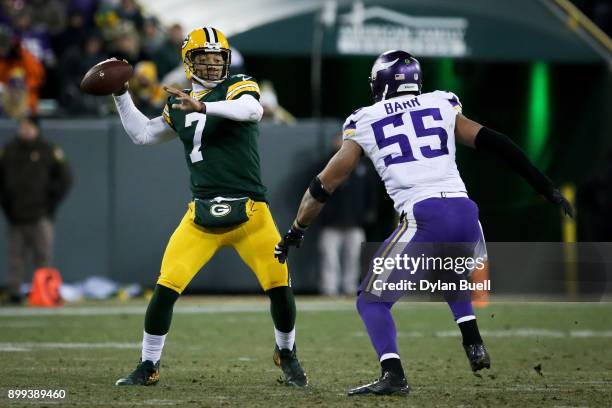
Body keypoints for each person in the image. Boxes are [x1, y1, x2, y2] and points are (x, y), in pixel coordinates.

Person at [275, 50, 573, 396]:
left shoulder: (365, 119)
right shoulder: (442, 102)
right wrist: (545, 186)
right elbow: (497, 143)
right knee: (449, 271)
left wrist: (297, 229)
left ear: (381, 84)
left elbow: (324, 185)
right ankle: (473, 341)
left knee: (371, 301)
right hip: (466, 213)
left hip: (424, 214)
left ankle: (393, 374)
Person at [112, 27, 307, 387]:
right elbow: (143, 134)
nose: (214, 66)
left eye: (219, 59)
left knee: (280, 286)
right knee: (166, 286)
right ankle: (148, 364)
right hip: (201, 213)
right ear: (189, 63)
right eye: (205, 59)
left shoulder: (238, 85)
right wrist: (122, 95)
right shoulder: (177, 101)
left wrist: (203, 105)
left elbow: (252, 110)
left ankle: (288, 353)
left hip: (251, 211)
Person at [0, 116, 72, 304]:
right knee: (15, 257)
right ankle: (14, 293)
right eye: (22, 126)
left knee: (43, 255)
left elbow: (66, 179)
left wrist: (50, 204)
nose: (24, 130)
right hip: (15, 214)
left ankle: (44, 292)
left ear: (36, 129)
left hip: (41, 214)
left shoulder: (47, 150)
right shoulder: (8, 150)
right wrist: (6, 205)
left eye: (28, 127)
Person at [317, 133, 377, 296]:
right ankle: (329, 289)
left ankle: (350, 287)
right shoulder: (325, 164)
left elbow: (371, 192)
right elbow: (315, 191)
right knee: (330, 258)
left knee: (354, 257)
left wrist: (368, 211)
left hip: (355, 222)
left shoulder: (361, 166)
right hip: (331, 222)